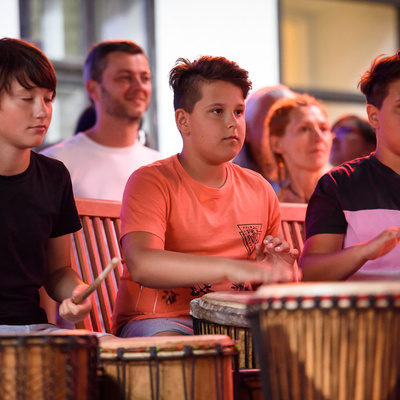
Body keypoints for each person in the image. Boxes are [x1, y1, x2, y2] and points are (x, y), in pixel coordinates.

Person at [111, 56, 299, 338]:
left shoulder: (259, 188)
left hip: (238, 321)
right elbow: (142, 263)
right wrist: (231, 268)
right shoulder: (151, 181)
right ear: (183, 120)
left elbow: (271, 290)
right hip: (164, 322)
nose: (232, 123)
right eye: (217, 111)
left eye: (238, 112)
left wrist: (277, 271)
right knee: (185, 357)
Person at [0, 37, 93, 335]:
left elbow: (57, 272)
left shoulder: (54, 176)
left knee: (110, 359)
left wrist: (76, 292)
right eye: (27, 99)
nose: (42, 111)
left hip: (33, 328)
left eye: (49, 98)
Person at [299, 51, 400, 281]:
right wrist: (364, 252)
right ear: (374, 117)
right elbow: (309, 272)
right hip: (365, 315)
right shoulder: (338, 184)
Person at [41, 39, 162, 201]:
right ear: (93, 89)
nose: (139, 86)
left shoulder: (162, 167)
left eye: (145, 78)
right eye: (125, 78)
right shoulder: (56, 163)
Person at [264, 93, 333, 203]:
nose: (319, 137)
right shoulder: (267, 209)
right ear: (276, 143)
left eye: (323, 128)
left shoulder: (350, 202)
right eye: (304, 129)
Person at [232, 84, 295, 190]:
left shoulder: (313, 186)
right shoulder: (227, 183)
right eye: (275, 123)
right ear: (246, 130)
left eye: (294, 126)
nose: (288, 133)